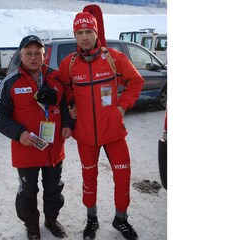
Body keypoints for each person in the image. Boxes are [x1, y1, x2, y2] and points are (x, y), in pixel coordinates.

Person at [58, 12, 145, 240]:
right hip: (85, 135)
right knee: (89, 177)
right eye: (80, 33)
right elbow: (65, 89)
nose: (84, 37)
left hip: (114, 132)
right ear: (74, 35)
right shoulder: (69, 64)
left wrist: (121, 108)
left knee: (123, 175)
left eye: (89, 32)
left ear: (97, 33)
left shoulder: (113, 58)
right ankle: (92, 218)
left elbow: (136, 82)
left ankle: (121, 218)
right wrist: (71, 101)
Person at [0, 35, 74, 240]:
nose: (34, 57)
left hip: (54, 150)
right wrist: (19, 133)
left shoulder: (56, 77)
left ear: (44, 55)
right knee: (28, 192)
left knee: (54, 189)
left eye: (38, 53)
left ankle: (51, 220)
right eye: (29, 53)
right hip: (26, 149)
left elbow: (66, 105)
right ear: (21, 55)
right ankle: (32, 226)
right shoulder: (11, 81)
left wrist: (68, 124)